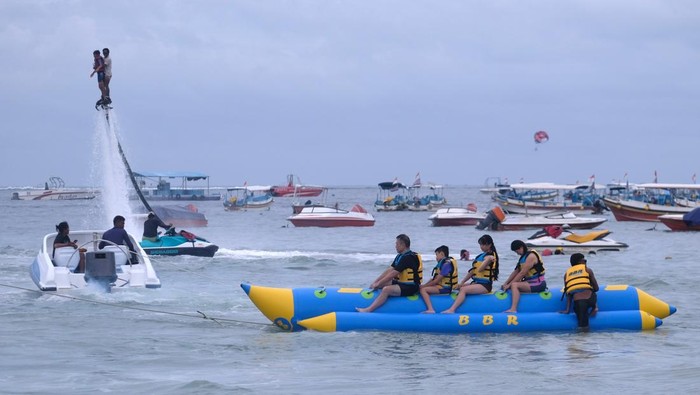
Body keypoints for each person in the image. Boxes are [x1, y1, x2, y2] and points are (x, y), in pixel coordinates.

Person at [356, 234, 422, 313]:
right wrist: (376, 282)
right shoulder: (400, 256)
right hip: (402, 283)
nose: (395, 246)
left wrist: (378, 284)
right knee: (381, 284)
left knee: (386, 290)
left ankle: (368, 310)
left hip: (412, 287)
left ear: (403, 245)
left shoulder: (409, 257)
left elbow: (393, 274)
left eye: (397, 244)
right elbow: (390, 270)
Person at [442, 235, 499, 314]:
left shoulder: (491, 256)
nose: (481, 247)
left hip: (485, 285)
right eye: (480, 245)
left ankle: (452, 309)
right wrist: (461, 283)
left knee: (463, 290)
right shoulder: (480, 256)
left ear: (489, 245)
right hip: (476, 283)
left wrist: (488, 259)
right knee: (457, 287)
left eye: (483, 244)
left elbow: (480, 269)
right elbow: (472, 271)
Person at [501, 240, 546, 313]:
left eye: (517, 251)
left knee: (514, 285)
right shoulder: (523, 257)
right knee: (511, 285)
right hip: (529, 282)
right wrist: (505, 283)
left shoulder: (531, 256)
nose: (517, 253)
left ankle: (513, 309)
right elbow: (516, 271)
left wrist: (510, 285)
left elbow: (522, 273)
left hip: (538, 283)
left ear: (521, 247)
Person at [559, 253, 599, 331]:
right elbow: (596, 288)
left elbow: (568, 293)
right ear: (581, 262)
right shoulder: (588, 270)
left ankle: (581, 339)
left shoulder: (566, 274)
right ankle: (595, 307)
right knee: (590, 289)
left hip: (578, 303)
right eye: (585, 260)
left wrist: (567, 310)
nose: (586, 262)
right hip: (590, 300)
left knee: (582, 326)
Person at [419, 245, 458, 313]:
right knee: (422, 288)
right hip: (440, 286)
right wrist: (423, 285)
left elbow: (436, 281)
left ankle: (430, 309)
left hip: (445, 288)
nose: (436, 257)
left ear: (442, 254)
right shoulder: (442, 264)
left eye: (437, 255)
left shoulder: (446, 264)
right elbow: (433, 279)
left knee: (423, 290)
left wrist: (423, 287)